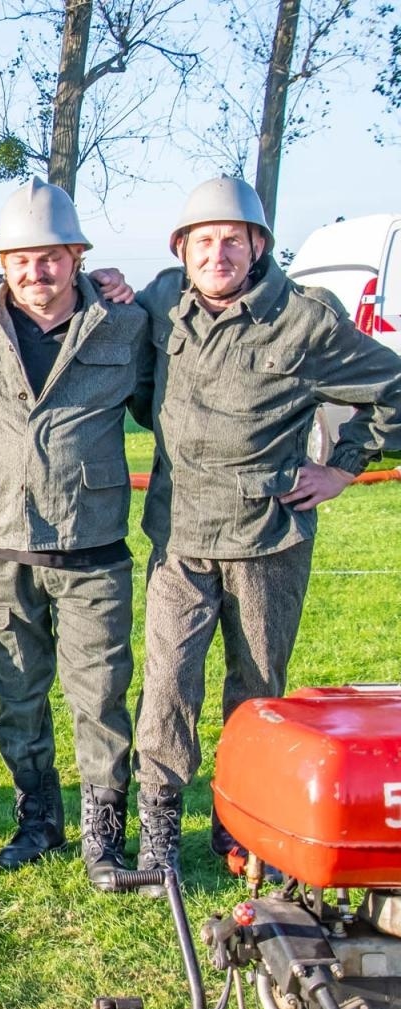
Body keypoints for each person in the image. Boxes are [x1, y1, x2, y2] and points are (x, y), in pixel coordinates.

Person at [131, 176, 401, 893]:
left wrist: (344, 467)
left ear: (257, 246)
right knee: (167, 687)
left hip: (268, 536)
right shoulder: (161, 302)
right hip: (181, 536)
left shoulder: (306, 320)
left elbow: (392, 386)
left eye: (232, 240)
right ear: (181, 251)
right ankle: (158, 835)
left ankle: (242, 822)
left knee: (255, 694)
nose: (217, 254)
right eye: (203, 241)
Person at [0, 178, 151, 891]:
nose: (37, 273)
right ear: (0, 265)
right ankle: (38, 818)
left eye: (52, 258)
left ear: (77, 257)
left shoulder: (127, 325)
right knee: (19, 697)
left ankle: (105, 834)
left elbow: (169, 404)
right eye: (20, 259)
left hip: (91, 545)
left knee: (98, 697)